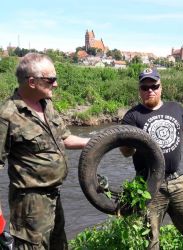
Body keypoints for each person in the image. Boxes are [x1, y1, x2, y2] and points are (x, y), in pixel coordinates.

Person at [121, 68, 183, 250]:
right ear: (139, 90)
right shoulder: (131, 116)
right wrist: (128, 143)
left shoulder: (175, 108)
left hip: (177, 181)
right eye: (145, 87)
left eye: (154, 86)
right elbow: (126, 153)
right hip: (147, 185)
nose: (150, 90)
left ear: (161, 87)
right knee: (148, 241)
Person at [0, 53, 90, 249]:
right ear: (32, 82)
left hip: (54, 197)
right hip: (30, 205)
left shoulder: (46, 105)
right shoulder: (7, 115)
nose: (55, 84)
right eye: (51, 80)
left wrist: (95, 142)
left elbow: (64, 138)